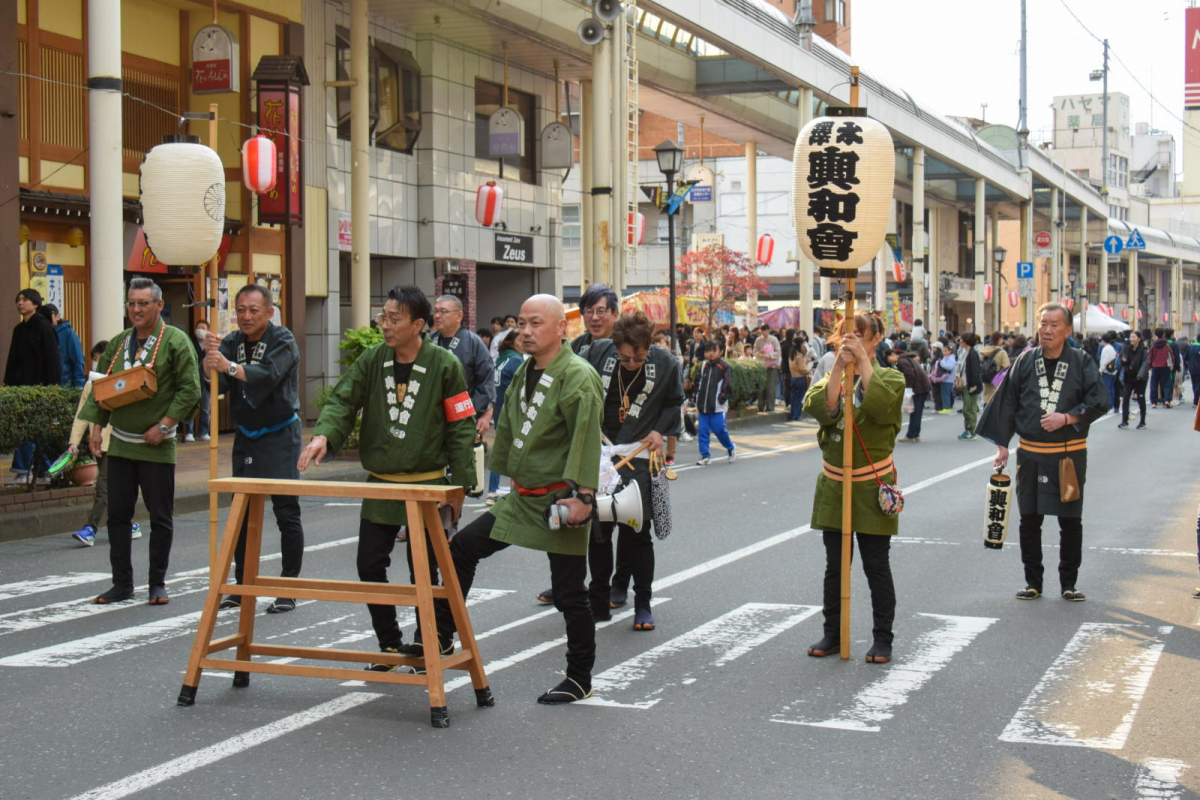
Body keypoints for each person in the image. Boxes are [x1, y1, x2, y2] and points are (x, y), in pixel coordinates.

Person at [429, 294, 603, 704]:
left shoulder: (577, 374)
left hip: (561, 500)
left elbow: (586, 437)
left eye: (536, 323)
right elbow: (506, 428)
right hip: (522, 497)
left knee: (569, 593)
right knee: (461, 549)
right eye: (521, 323)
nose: (525, 331)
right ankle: (439, 637)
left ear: (562, 328)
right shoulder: (525, 368)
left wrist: (584, 496)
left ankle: (580, 677)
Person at [298, 285, 476, 668]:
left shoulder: (446, 366)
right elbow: (344, 400)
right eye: (384, 317)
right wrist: (323, 435)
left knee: (424, 570)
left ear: (418, 324)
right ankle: (390, 644)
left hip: (428, 483)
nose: (386, 325)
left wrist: (460, 486)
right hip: (382, 482)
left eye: (395, 319)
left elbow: (462, 426)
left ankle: (427, 641)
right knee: (369, 564)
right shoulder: (372, 360)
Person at [79, 278, 201, 604]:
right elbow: (101, 389)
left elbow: (191, 390)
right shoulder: (119, 343)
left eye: (143, 303)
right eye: (131, 303)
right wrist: (95, 430)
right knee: (118, 515)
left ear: (159, 305)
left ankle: (156, 584)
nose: (135, 309)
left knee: (160, 517)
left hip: (157, 445)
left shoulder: (176, 341)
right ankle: (122, 584)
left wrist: (164, 426)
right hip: (119, 442)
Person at [975, 303, 1107, 602]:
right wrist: (1002, 445)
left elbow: (1099, 398)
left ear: (1067, 330)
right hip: (1031, 454)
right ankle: (1033, 581)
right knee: (1030, 519)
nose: (1047, 330)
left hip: (1068, 455)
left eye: (1054, 324)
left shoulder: (1082, 361)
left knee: (1070, 520)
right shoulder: (1024, 360)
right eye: (1043, 323)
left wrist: (1069, 417)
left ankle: (1068, 583)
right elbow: (1006, 401)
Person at [803, 312, 904, 664]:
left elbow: (881, 407)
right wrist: (836, 369)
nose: (851, 341)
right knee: (835, 565)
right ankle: (833, 632)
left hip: (871, 485)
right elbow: (820, 408)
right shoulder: (832, 374)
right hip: (834, 484)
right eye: (846, 336)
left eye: (860, 336)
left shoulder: (891, 377)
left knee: (876, 565)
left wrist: (862, 360)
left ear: (877, 338)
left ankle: (883, 637)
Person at [574, 311, 683, 630]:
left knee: (638, 535)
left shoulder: (665, 363)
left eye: (639, 357)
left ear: (649, 346)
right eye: (625, 358)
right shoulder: (597, 353)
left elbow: (674, 403)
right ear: (615, 346)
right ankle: (599, 600)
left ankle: (644, 604)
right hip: (602, 452)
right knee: (599, 532)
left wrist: (659, 431)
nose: (632, 363)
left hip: (640, 454)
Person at [205, 285, 306, 614]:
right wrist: (210, 360)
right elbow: (216, 381)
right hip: (246, 434)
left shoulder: (283, 340)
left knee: (285, 511)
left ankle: (288, 587)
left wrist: (228, 367)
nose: (246, 316)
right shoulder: (232, 342)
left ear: (269, 312)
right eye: (241, 310)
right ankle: (241, 584)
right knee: (241, 511)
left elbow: (266, 376)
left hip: (280, 434)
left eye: (253, 310)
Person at [68, 341, 143, 546]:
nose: (97, 365)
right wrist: (73, 442)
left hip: (118, 443)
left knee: (103, 487)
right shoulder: (90, 384)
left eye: (100, 360)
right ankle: (130, 524)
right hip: (98, 445)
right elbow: (82, 415)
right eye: (95, 360)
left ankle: (90, 528)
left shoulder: (121, 382)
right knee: (114, 488)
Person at [5, 288, 62, 483]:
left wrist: (53, 385)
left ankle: (25, 470)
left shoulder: (44, 327)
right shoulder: (19, 329)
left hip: (41, 388)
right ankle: (45, 470)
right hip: (22, 388)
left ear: (35, 304)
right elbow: (12, 361)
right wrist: (8, 385)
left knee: (32, 430)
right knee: (32, 430)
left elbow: (53, 359)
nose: (20, 303)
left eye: (25, 300)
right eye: (18, 299)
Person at [430, 295, 495, 440]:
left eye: (444, 311)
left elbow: (486, 381)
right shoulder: (428, 341)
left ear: (459, 315)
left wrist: (483, 413)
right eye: (436, 311)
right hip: (431, 417)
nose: (438, 316)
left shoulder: (473, 342)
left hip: (463, 415)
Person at [486, 329, 524, 504]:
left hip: (499, 409)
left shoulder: (501, 358)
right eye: (520, 339)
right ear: (511, 341)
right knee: (516, 450)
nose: (524, 342)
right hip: (512, 412)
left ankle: (493, 490)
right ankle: (515, 491)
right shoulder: (517, 360)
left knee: (500, 451)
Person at [694, 341, 737, 465]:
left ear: (721, 352)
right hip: (703, 405)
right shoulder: (703, 366)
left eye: (714, 350)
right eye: (709, 350)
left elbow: (727, 385)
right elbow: (697, 383)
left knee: (719, 430)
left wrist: (722, 398)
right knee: (702, 431)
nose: (711, 353)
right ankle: (705, 455)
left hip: (717, 406)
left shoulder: (724, 367)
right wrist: (697, 398)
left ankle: (730, 448)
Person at [890, 348, 932, 443]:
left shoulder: (902, 361)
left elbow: (910, 375)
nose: (889, 361)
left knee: (915, 411)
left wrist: (908, 387)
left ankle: (911, 435)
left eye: (889, 357)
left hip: (918, 387)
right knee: (917, 411)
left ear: (893, 354)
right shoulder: (907, 358)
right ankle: (915, 434)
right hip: (922, 386)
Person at [182, 319, 212, 443]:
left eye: (203, 328)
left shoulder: (210, 345)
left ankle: (204, 432)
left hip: (206, 380)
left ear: (208, 331)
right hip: (192, 379)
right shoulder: (189, 342)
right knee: (191, 406)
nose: (200, 330)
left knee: (205, 408)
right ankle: (189, 432)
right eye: (198, 328)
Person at [43, 303, 86, 389]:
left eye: (48, 316)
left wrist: (78, 387)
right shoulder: (42, 333)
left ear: (57, 316)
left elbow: (78, 361)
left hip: (65, 386)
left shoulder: (68, 333)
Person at [571, 283, 618, 354]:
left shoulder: (624, 346)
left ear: (615, 315)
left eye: (601, 311)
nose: (594, 318)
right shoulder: (575, 347)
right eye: (589, 311)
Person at [1118, 330, 1149, 429]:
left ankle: (1142, 422)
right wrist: (1123, 361)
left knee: (1140, 398)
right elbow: (1123, 362)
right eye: (1131, 337)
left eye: (1134, 337)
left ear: (1139, 339)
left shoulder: (1144, 350)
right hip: (1129, 377)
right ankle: (1124, 421)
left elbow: (1145, 363)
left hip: (1140, 378)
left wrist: (1140, 376)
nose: (1132, 339)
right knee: (1126, 398)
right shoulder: (1127, 349)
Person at [754, 324, 782, 413]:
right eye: (762, 330)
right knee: (761, 387)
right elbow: (754, 351)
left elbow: (778, 352)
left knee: (770, 387)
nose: (764, 332)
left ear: (768, 330)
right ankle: (761, 406)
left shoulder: (774, 339)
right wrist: (760, 354)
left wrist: (769, 355)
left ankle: (770, 407)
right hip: (761, 365)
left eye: (765, 330)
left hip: (771, 366)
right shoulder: (758, 340)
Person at [979, 333, 1011, 405]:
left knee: (987, 406)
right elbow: (1007, 367)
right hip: (997, 385)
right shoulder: (1002, 352)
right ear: (1000, 340)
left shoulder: (984, 351)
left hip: (986, 382)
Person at [1148, 329, 1175, 409]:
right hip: (1165, 366)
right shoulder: (1166, 344)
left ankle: (1154, 402)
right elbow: (1171, 355)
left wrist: (1150, 365)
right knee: (1167, 383)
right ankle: (1167, 400)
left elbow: (1150, 356)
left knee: (1154, 384)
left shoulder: (1153, 344)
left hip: (1155, 366)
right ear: (1163, 334)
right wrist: (1172, 365)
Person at [788, 339, 812, 421]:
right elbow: (802, 368)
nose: (803, 346)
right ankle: (797, 415)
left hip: (793, 377)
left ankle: (792, 414)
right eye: (802, 344)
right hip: (800, 378)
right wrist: (809, 371)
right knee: (799, 397)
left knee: (794, 397)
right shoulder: (800, 355)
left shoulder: (792, 354)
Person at [932, 345, 957, 414]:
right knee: (944, 393)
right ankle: (946, 406)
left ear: (950, 351)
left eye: (946, 351)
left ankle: (946, 407)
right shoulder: (946, 358)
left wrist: (942, 363)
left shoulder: (951, 359)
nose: (944, 352)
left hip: (948, 379)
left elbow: (949, 367)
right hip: (944, 379)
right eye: (943, 351)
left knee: (946, 393)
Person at [1097, 333, 1119, 412]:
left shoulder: (1106, 349)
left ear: (1103, 340)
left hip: (1107, 372)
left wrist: (1100, 371)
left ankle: (1109, 406)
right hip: (1112, 371)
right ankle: (1112, 406)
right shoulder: (1112, 348)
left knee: (1106, 390)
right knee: (1111, 389)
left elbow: (1104, 361)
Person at [1187, 335, 1200, 408]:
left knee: (1194, 384)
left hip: (1192, 369)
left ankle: (1196, 399)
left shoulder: (1190, 347)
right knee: (1198, 385)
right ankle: (1196, 401)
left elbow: (1186, 357)